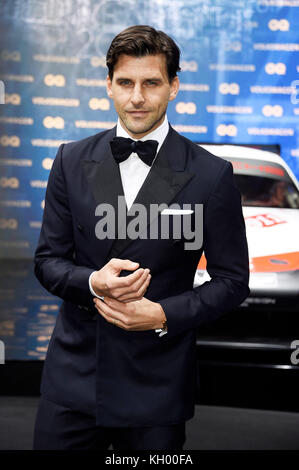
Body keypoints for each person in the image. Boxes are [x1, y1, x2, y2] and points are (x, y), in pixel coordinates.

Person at [33, 25, 250, 450]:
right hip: (74, 381)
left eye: (151, 83)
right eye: (126, 83)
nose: (137, 97)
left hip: (158, 384)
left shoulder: (211, 175)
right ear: (108, 85)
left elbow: (232, 281)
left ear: (173, 87)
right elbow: (47, 261)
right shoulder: (70, 160)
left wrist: (163, 314)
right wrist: (93, 282)